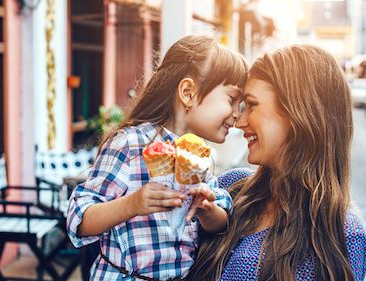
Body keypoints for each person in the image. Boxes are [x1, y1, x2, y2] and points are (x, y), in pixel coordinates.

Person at [66, 35, 248, 280]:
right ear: (188, 92)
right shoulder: (131, 144)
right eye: (232, 100)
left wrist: (207, 209)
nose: (238, 115)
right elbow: (79, 220)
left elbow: (222, 223)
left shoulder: (199, 154)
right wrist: (132, 204)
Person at [188, 44, 366, 281]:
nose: (239, 122)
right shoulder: (229, 188)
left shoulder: (345, 234)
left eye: (251, 105)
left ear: (298, 113)